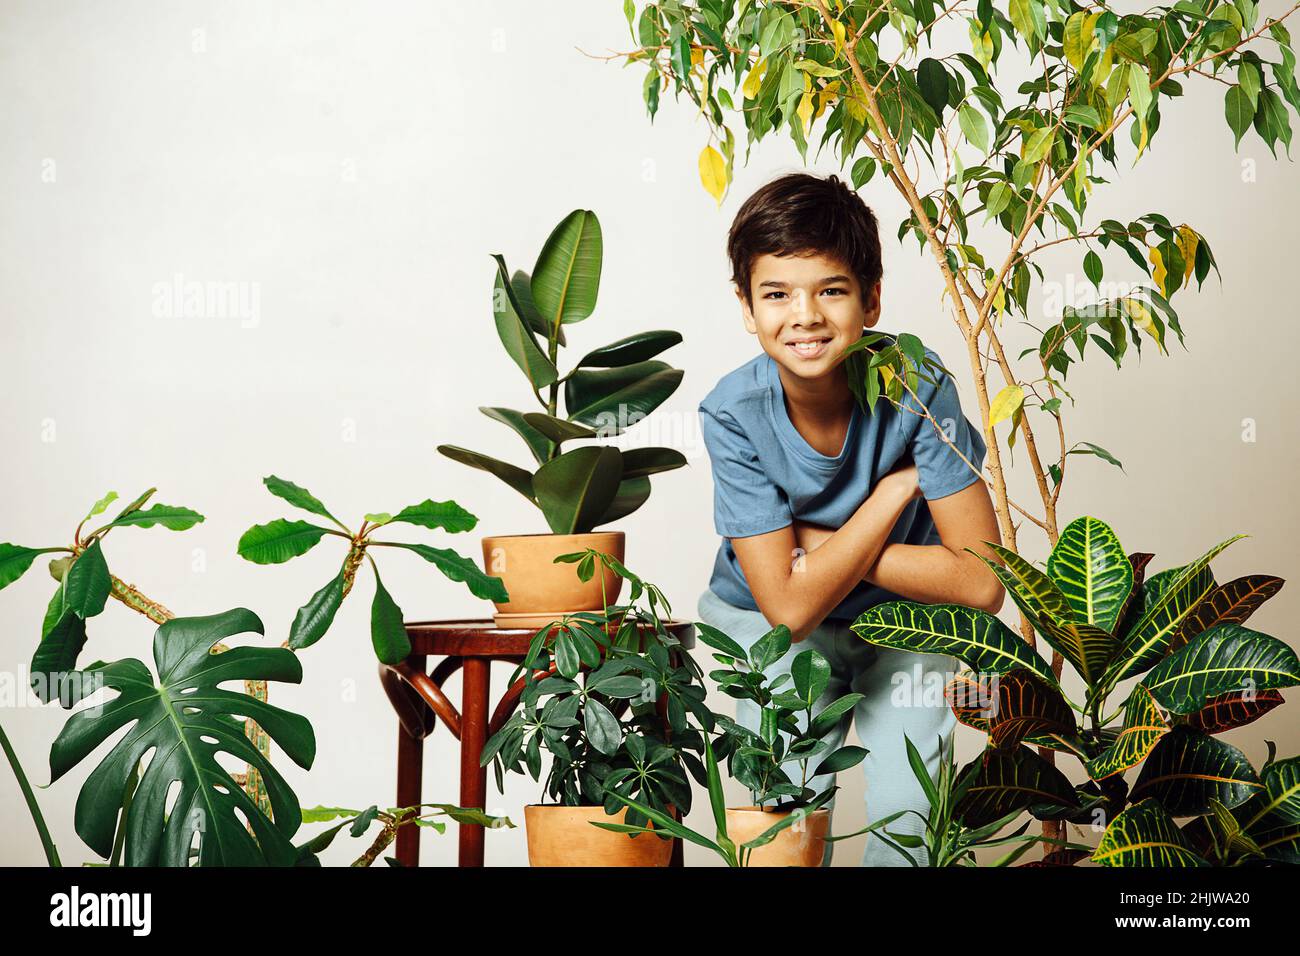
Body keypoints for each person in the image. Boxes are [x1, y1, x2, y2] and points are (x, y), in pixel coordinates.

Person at [695, 171, 1005, 865]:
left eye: (830, 290)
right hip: (775, 627)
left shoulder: (917, 386)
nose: (803, 315)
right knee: (783, 810)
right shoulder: (732, 413)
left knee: (912, 806)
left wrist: (821, 545)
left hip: (905, 616)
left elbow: (984, 583)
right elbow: (787, 609)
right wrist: (890, 498)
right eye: (776, 294)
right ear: (746, 307)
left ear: (872, 299)